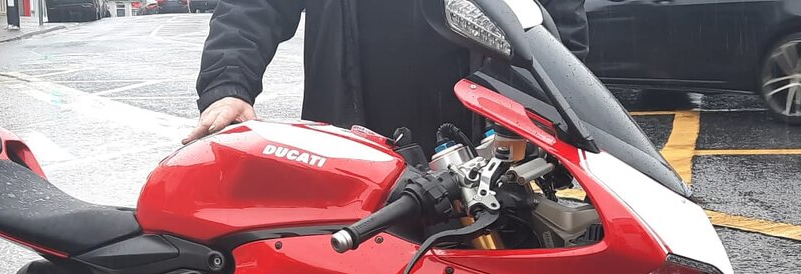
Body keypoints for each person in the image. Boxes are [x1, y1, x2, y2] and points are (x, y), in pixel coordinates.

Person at [184, 0, 588, 145]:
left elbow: (561, 23)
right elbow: (254, 8)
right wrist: (229, 86)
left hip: (488, 141)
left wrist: (564, 110)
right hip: (355, 142)